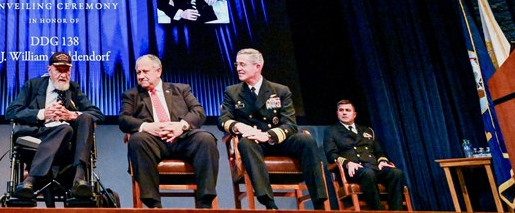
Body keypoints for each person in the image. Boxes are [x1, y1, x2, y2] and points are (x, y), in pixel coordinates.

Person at [218, 48, 327, 210]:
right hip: (254, 142)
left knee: (306, 139)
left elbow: (290, 124)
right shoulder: (232, 92)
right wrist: (239, 126)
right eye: (237, 64)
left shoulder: (281, 91)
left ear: (257, 66)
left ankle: (319, 201)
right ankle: (269, 203)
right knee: (245, 143)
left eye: (242, 64)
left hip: (278, 140)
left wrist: (267, 135)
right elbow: (223, 120)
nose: (238, 68)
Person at [119, 54, 219, 209]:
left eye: (145, 71)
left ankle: (205, 203)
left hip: (183, 139)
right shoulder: (131, 95)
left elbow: (199, 112)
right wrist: (147, 126)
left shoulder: (181, 89)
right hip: (154, 142)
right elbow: (124, 119)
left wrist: (182, 126)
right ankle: (154, 205)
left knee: (206, 138)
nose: (141, 76)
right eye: (138, 73)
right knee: (137, 140)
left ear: (158, 71)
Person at [4, 51, 105, 200]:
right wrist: (43, 113)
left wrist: (72, 115)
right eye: (59, 70)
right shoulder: (33, 85)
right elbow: (12, 111)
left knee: (84, 119)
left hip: (68, 139)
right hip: (40, 133)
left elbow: (97, 113)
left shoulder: (74, 89)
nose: (63, 75)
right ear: (49, 69)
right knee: (65, 128)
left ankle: (79, 178)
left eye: (67, 70)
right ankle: (32, 178)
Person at [324, 99, 407, 210]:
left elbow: (378, 151)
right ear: (337, 113)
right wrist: (348, 163)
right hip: (354, 170)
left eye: (347, 110)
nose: (344, 113)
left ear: (354, 114)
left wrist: (382, 161)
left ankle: (396, 211)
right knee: (368, 173)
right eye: (341, 110)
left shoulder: (367, 130)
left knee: (396, 173)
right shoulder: (331, 131)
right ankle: (377, 211)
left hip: (373, 167)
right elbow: (331, 154)